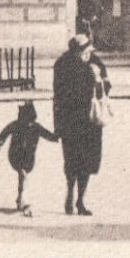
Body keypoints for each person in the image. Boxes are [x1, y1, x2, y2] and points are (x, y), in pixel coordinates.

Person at [51, 32, 110, 216]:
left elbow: (107, 88)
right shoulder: (64, 65)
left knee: (84, 162)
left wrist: (98, 79)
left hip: (88, 121)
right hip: (75, 121)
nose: (88, 54)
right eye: (85, 52)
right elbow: (58, 96)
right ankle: (72, 194)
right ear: (77, 52)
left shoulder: (94, 62)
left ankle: (79, 200)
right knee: (73, 161)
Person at [0, 100, 58, 216]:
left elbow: (49, 136)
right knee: (22, 173)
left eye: (30, 122)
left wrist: (58, 135)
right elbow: (4, 133)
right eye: (25, 121)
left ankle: (19, 198)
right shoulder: (15, 125)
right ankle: (22, 198)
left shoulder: (36, 127)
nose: (28, 124)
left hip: (29, 158)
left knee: (23, 174)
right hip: (15, 155)